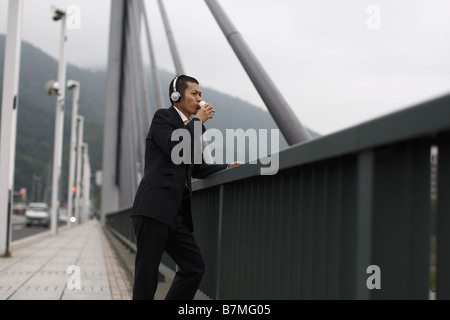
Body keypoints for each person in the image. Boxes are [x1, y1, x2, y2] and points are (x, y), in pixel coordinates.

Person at [130, 75, 241, 300]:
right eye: (194, 93)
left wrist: (227, 166)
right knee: (147, 275)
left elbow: (198, 167)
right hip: (153, 208)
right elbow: (175, 146)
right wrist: (198, 122)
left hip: (177, 214)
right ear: (176, 96)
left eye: (201, 94)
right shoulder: (163, 117)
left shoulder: (192, 128)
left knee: (194, 267)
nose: (200, 98)